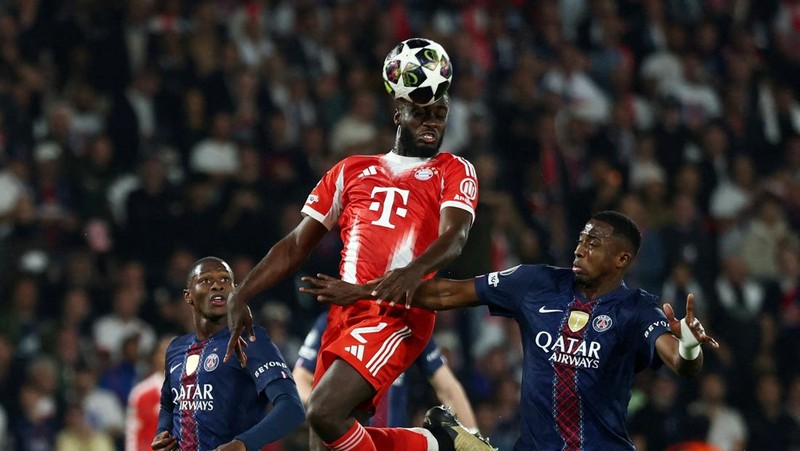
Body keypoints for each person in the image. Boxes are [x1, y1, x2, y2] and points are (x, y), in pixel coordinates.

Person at [301, 210, 720, 450]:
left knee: (450, 441)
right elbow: (444, 294)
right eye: (581, 239)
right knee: (441, 441)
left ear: (621, 259)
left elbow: (681, 363)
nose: (580, 248)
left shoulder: (637, 308)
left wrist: (686, 345)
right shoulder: (536, 283)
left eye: (594, 244)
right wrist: (364, 291)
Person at [224, 92, 493, 451]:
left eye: (440, 114)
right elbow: (295, 244)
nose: (431, 123)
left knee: (323, 411)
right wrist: (241, 294)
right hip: (344, 311)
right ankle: (438, 442)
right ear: (399, 113)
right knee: (325, 443)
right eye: (421, 113)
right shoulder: (350, 169)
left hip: (396, 313)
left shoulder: (454, 169)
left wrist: (412, 272)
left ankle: (439, 445)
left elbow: (455, 237)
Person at [152, 257, 305, 451]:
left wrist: (243, 443)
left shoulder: (250, 339)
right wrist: (162, 432)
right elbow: (168, 404)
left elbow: (291, 409)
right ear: (188, 296)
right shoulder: (176, 348)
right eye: (206, 280)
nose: (217, 286)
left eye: (225, 280)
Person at [293, 311, 478, 430]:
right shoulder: (333, 321)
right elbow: (301, 379)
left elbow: (449, 390)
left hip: (392, 441)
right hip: (344, 444)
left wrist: (474, 438)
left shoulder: (410, 325)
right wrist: (332, 419)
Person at [125, 336, 172, 451]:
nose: (170, 357)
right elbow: (133, 434)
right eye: (165, 353)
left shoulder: (192, 390)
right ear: (155, 357)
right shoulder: (141, 393)